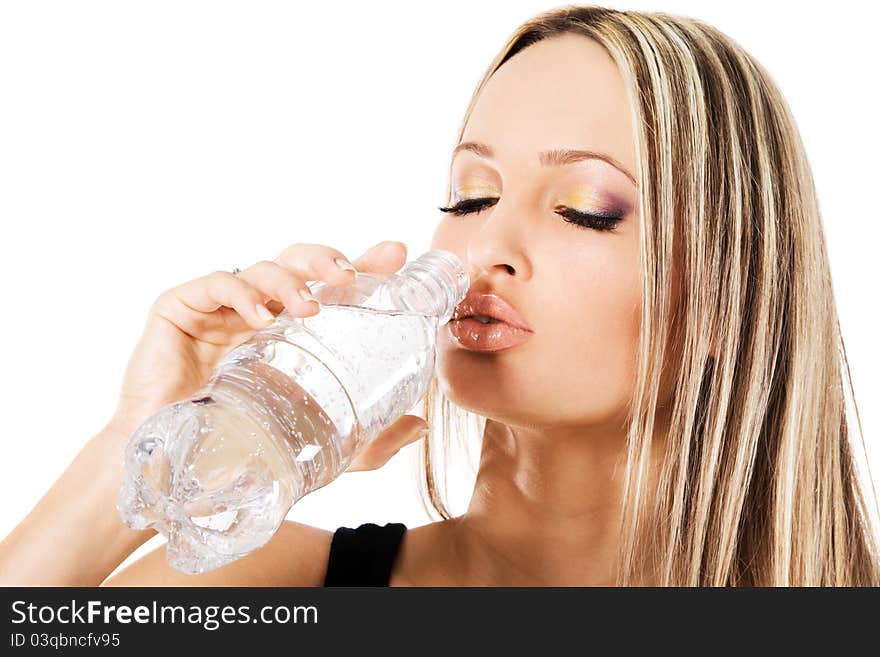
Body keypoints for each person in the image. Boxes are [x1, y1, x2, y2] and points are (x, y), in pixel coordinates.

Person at [1, 5, 877, 587]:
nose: (483, 246)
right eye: (470, 196)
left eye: (583, 209)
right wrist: (134, 442)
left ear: (729, 295)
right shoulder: (268, 589)